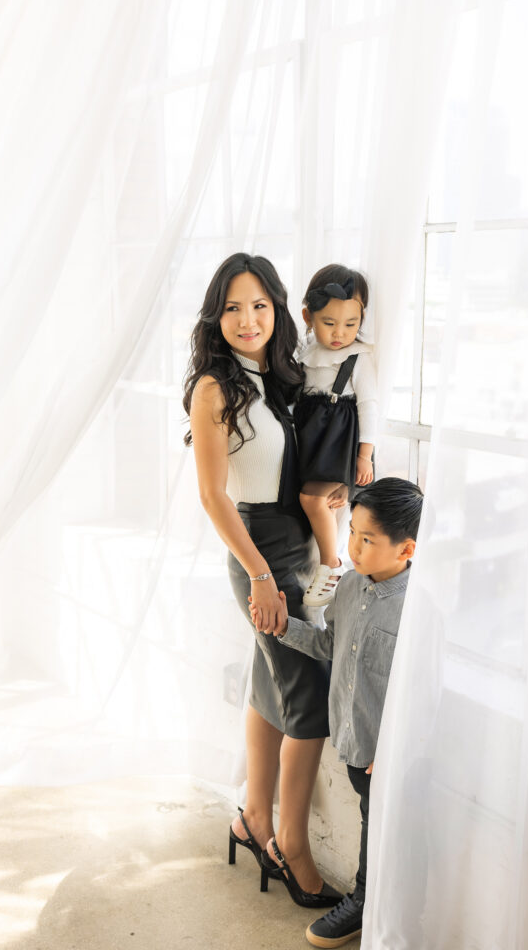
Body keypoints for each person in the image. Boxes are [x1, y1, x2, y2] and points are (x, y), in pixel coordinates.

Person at [183, 252, 341, 909]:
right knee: (306, 697)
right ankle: (289, 844)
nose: (246, 320)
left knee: (269, 676)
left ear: (276, 309)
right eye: (231, 307)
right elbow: (214, 497)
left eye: (258, 305)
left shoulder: (276, 380)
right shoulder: (213, 388)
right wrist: (259, 577)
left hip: (294, 543)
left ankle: (251, 816)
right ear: (214, 317)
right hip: (258, 549)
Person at [264, 477, 423, 947]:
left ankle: (372, 906)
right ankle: (374, 905)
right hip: (355, 744)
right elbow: (331, 645)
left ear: (406, 548)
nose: (352, 546)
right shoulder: (350, 587)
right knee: (372, 824)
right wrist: (283, 627)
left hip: (391, 756)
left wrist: (394, 749)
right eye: (352, 530)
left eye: (367, 539)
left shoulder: (418, 609)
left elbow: (422, 693)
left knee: (394, 836)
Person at [294, 264, 377, 607]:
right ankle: (320, 564)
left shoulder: (357, 357)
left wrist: (364, 455)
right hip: (308, 439)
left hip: (335, 441)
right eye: (329, 323)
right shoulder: (303, 353)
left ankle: (331, 565)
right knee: (315, 505)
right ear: (308, 317)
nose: (340, 333)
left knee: (313, 501)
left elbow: (369, 406)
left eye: (351, 324)